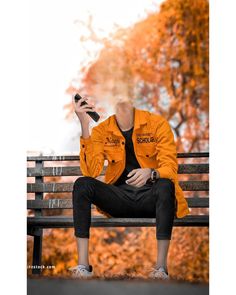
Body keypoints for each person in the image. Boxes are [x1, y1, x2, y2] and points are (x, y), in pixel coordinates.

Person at [69, 95, 189, 279]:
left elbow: (171, 169)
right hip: (120, 201)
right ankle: (83, 267)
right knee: (82, 184)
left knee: (165, 184)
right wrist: (85, 126)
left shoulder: (156, 124)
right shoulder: (102, 130)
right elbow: (91, 171)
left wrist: (151, 172)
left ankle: (161, 269)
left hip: (152, 200)